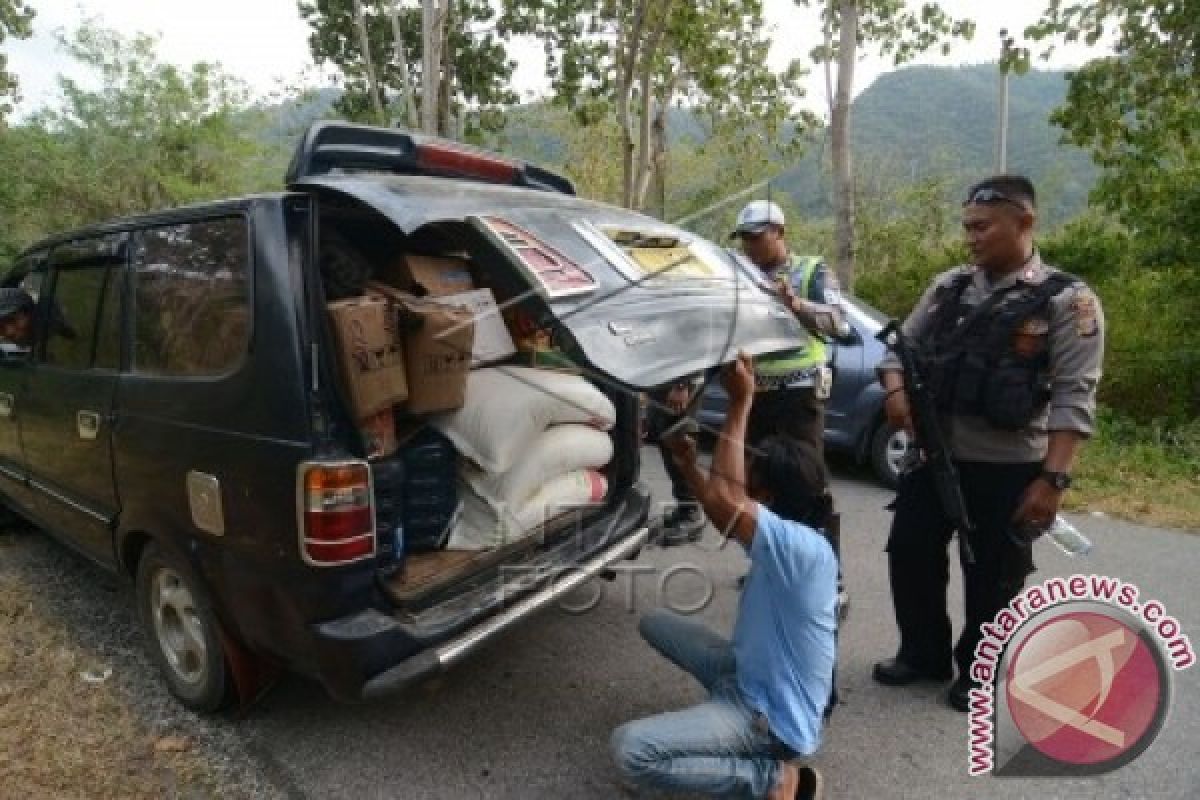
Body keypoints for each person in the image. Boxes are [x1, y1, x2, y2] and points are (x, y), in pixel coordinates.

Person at [871, 175, 1105, 712]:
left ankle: (979, 669)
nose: (971, 238)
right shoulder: (949, 287)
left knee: (994, 576)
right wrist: (896, 392)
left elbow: (1074, 396)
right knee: (910, 552)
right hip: (935, 457)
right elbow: (896, 351)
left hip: (1010, 467)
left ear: (1024, 222)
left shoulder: (1068, 301)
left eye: (983, 227)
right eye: (967, 228)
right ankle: (923, 653)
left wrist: (1053, 480)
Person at [612, 352, 836, 800]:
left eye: (750, 470)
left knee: (631, 750)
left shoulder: (802, 548)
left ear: (768, 495)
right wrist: (688, 465)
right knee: (654, 623)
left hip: (768, 716)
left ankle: (773, 780)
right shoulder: (790, 533)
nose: (740, 469)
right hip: (747, 673)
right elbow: (723, 506)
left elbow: (728, 502)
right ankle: (723, 718)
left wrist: (741, 401)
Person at [730, 200, 850, 457]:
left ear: (779, 232)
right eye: (744, 238)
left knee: (803, 480)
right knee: (755, 480)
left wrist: (796, 305)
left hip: (800, 395)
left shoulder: (812, 271)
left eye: (756, 236)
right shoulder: (740, 276)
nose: (749, 244)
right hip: (754, 395)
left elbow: (838, 323)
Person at [647, 374, 707, 545]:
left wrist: (681, 385)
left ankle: (691, 514)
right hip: (662, 378)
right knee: (667, 441)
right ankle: (685, 507)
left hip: (679, 377)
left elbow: (691, 346)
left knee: (678, 442)